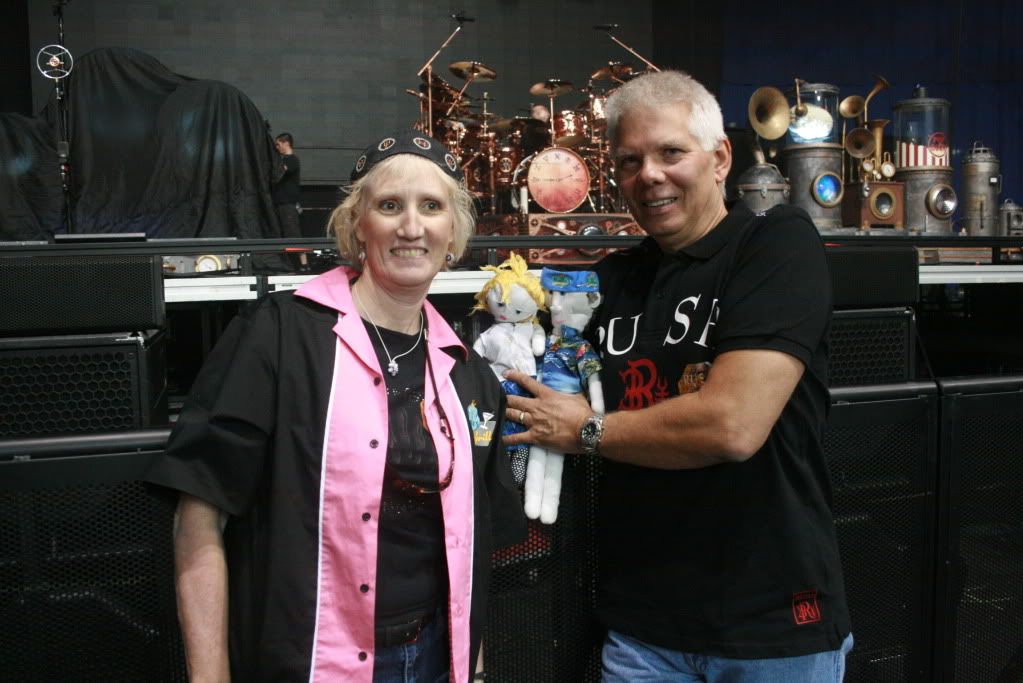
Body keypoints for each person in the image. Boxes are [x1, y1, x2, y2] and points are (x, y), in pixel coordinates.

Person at [503, 69, 852, 682]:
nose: (649, 175)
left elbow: (731, 426)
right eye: (630, 161)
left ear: (719, 159)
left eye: (670, 153)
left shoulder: (775, 245)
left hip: (770, 625)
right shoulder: (612, 280)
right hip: (642, 631)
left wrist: (586, 431)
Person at [146, 130, 527, 683]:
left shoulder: (467, 373)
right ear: (357, 226)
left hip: (435, 659)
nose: (412, 226)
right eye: (389, 206)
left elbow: (469, 554)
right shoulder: (277, 334)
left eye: (431, 207)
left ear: (453, 234)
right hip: (309, 664)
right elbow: (199, 513)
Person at [272, 132, 302, 237]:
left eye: (278, 144)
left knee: (292, 233)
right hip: (280, 203)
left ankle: (300, 250)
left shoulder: (292, 160)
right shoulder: (283, 160)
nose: (277, 147)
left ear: (286, 143)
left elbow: (279, 173)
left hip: (288, 204)